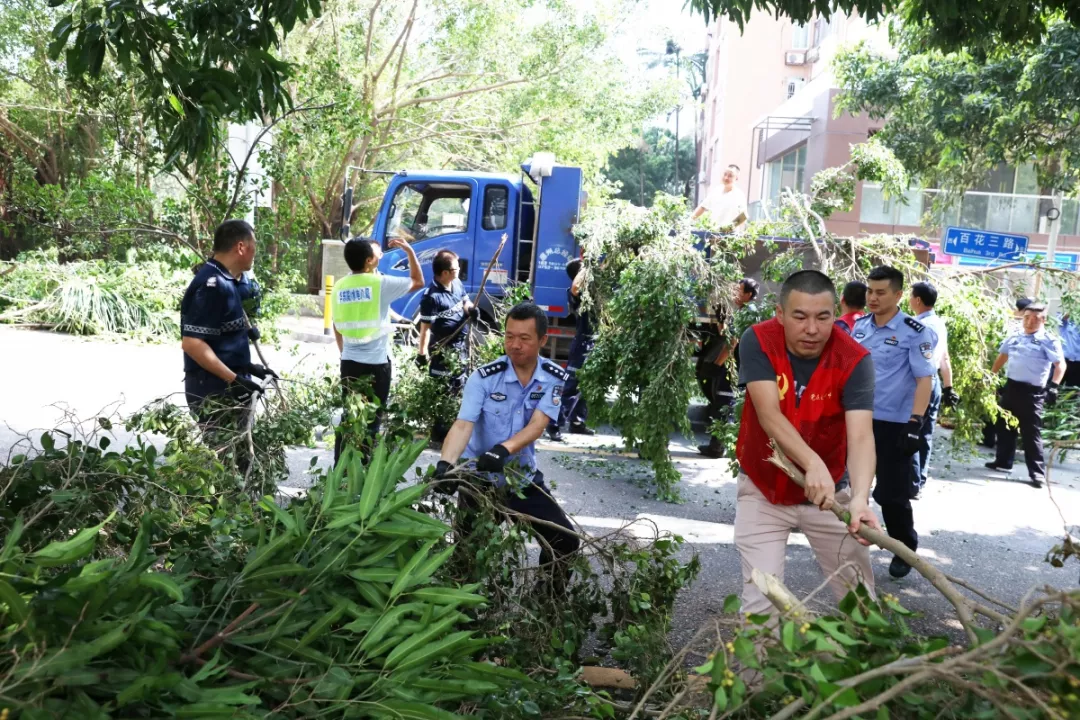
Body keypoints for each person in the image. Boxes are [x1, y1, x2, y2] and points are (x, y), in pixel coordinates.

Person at [734, 270, 880, 619]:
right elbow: (768, 414)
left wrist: (860, 499)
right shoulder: (758, 340)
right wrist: (812, 463)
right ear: (780, 314)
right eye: (800, 317)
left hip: (830, 496)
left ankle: (871, 655)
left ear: (836, 314)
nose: (812, 329)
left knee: (860, 604)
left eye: (823, 317)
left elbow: (861, 436)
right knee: (762, 607)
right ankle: (759, 659)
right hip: (764, 490)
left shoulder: (854, 359)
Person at [435, 303, 580, 593]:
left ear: (542, 339)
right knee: (466, 554)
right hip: (479, 481)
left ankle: (546, 600)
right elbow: (463, 424)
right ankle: (461, 609)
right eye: (509, 336)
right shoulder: (484, 378)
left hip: (521, 479)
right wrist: (446, 465)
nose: (515, 345)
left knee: (565, 540)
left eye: (524, 338)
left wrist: (503, 449)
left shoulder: (552, 377)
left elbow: (537, 424)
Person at [853, 266, 935, 579]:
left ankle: (904, 548)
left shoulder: (914, 332)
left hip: (895, 424)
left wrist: (915, 422)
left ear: (898, 295)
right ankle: (847, 542)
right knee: (850, 486)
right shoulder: (860, 326)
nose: (872, 298)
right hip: (859, 419)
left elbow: (924, 380)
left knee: (891, 494)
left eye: (880, 292)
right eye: (869, 291)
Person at [181, 220, 275, 466]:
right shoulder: (212, 285)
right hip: (212, 389)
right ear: (241, 247)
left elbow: (222, 337)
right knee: (226, 464)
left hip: (230, 383)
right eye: (254, 246)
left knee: (241, 460)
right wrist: (234, 379)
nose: (256, 252)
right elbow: (192, 343)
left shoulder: (229, 280)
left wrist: (247, 367)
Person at [332, 236, 423, 462]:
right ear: (369, 260)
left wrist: (344, 352)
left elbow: (336, 323)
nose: (380, 257)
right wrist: (410, 251)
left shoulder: (339, 286)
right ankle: (363, 468)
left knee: (350, 416)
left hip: (349, 362)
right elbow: (418, 281)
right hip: (377, 364)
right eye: (377, 254)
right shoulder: (379, 284)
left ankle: (341, 467)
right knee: (372, 419)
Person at [985, 303, 1066, 488]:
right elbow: (1002, 356)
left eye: (1035, 319)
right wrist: (991, 376)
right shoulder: (1015, 335)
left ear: (1043, 320)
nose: (1029, 322)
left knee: (1031, 433)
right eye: (1026, 317)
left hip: (1032, 393)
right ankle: (1003, 462)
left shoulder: (1048, 340)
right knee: (1004, 426)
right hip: (1011, 387)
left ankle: (1037, 473)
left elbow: (1060, 365)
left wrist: (1054, 386)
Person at [416, 249, 475, 442]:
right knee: (443, 391)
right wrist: (422, 354)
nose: (459, 271)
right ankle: (439, 434)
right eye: (456, 269)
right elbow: (425, 329)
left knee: (460, 386)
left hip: (460, 348)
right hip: (442, 350)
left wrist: (471, 310)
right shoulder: (431, 297)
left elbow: (465, 301)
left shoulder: (456, 283)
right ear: (444, 273)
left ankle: (455, 428)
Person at [697, 278, 759, 458]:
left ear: (748, 294)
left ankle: (717, 447)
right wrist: (721, 318)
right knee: (725, 403)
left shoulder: (747, 313)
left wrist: (717, 364)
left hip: (735, 367)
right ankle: (719, 444)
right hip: (739, 366)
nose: (734, 294)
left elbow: (732, 342)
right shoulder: (748, 311)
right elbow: (727, 334)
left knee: (724, 403)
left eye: (738, 291)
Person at [908, 282, 959, 493]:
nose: (909, 300)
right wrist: (948, 387)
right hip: (934, 381)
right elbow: (944, 357)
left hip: (920, 383)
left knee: (912, 430)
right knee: (926, 433)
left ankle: (912, 484)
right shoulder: (939, 323)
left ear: (917, 300)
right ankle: (919, 481)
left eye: (910, 296)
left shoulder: (918, 326)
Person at [548, 259, 596, 441]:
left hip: (593, 343)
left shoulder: (593, 294)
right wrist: (586, 267)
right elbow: (576, 286)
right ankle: (553, 424)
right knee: (571, 387)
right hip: (583, 345)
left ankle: (577, 422)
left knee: (587, 386)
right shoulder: (576, 294)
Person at [692, 164, 748, 231]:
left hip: (730, 235)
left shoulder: (739, 195)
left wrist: (728, 228)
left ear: (736, 178)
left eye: (730, 176)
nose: (726, 178)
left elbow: (743, 217)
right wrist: (689, 221)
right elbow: (703, 207)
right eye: (725, 174)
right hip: (713, 233)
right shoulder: (716, 191)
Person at [1059, 312, 1080, 389]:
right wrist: (1073, 310)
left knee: (1072, 390)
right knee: (1053, 386)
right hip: (1063, 361)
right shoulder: (1068, 322)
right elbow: (1061, 318)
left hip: (1078, 364)